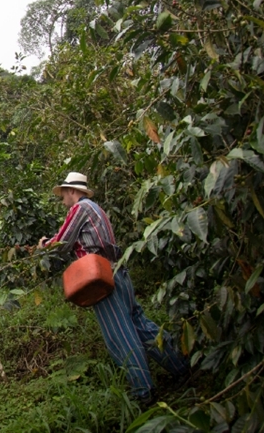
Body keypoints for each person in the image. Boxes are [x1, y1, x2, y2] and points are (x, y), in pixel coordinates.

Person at [38, 172, 188, 405]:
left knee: (120, 334)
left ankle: (143, 392)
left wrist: (44, 246)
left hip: (101, 276)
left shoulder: (80, 209)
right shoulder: (96, 208)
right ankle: (180, 366)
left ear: (72, 191)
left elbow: (61, 244)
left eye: (63, 194)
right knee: (140, 326)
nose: (62, 199)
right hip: (119, 273)